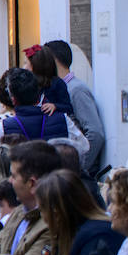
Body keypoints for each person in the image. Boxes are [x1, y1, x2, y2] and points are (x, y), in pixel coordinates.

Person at [45, 39, 107, 175]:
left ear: (53, 61)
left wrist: (79, 167)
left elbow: (95, 133)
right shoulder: (57, 89)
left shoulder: (76, 90)